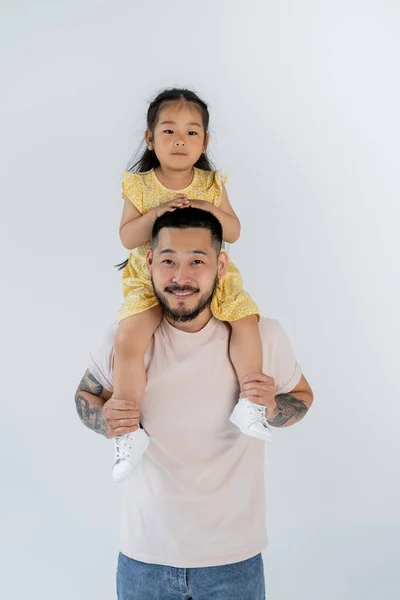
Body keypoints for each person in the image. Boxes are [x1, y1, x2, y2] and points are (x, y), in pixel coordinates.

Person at [75, 207, 314, 600]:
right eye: (168, 261)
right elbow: (85, 395)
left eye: (197, 262)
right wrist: (105, 420)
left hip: (234, 561)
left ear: (221, 264)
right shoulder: (123, 338)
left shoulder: (263, 336)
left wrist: (272, 408)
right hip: (143, 560)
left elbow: (302, 396)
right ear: (149, 261)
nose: (181, 278)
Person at [113, 88, 268, 483]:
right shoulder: (140, 185)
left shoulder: (211, 183)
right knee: (129, 339)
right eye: (169, 131)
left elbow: (233, 229)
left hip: (205, 275)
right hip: (155, 279)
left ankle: (250, 402)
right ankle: (129, 428)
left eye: (191, 132)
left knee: (246, 320)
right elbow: (128, 238)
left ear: (205, 141)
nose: (180, 141)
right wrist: (157, 214)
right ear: (150, 138)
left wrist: (208, 208)